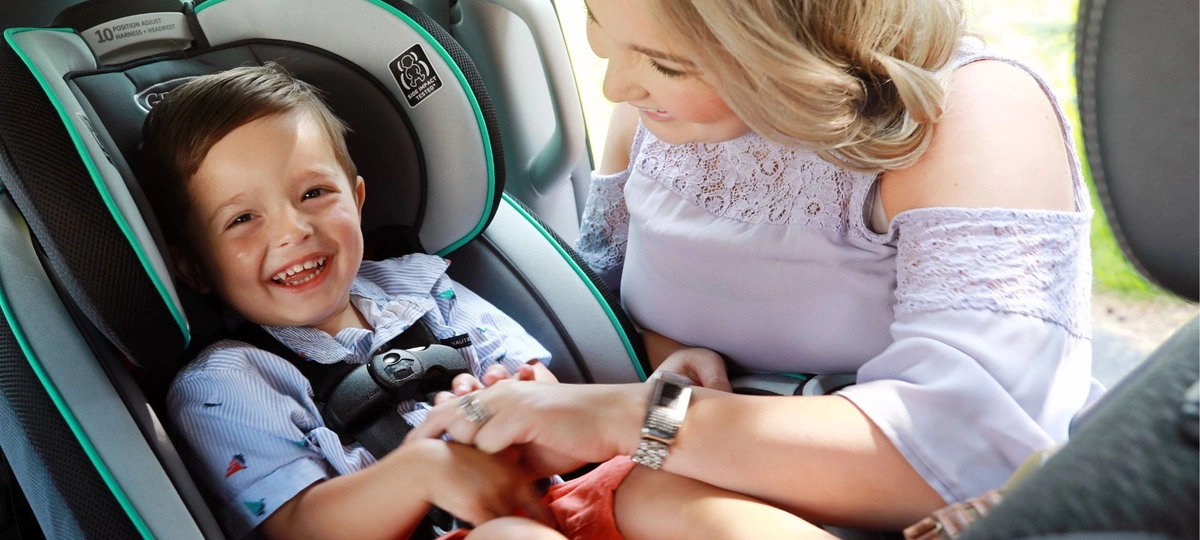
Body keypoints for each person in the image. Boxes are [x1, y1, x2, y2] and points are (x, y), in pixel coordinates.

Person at [408, 0, 1105, 532]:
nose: (617, 85)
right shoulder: (657, 122)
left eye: (667, 63)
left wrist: (628, 420)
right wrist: (659, 365)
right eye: (597, 20)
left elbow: (963, 450)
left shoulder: (970, 116)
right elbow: (616, 318)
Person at [142, 63, 820, 539]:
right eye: (242, 219)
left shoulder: (422, 289)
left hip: (544, 499)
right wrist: (422, 471)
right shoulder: (229, 380)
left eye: (314, 193)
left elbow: (547, 402)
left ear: (357, 196)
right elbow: (297, 526)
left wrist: (527, 402)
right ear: (191, 266)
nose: (293, 230)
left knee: (664, 485)